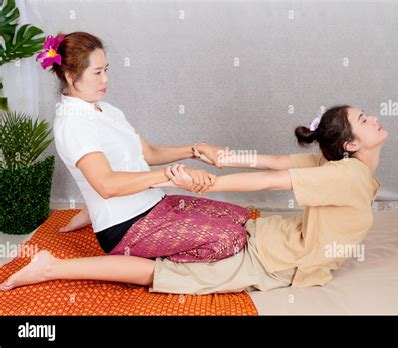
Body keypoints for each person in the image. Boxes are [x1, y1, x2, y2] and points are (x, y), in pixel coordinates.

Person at [0, 102, 388, 293]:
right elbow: (271, 170)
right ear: (350, 144)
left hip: (276, 242)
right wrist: (217, 159)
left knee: (232, 220)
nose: (374, 119)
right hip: (277, 259)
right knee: (171, 275)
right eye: (366, 118)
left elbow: (274, 172)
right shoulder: (346, 173)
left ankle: (104, 208)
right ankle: (50, 267)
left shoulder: (343, 170)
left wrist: (206, 181)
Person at [38, 32, 251, 263]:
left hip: (155, 204)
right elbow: (106, 185)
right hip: (126, 227)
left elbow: (148, 153)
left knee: (241, 217)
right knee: (232, 238)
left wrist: (196, 149)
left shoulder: (106, 110)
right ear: (70, 75)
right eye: (97, 73)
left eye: (106, 70)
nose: (105, 80)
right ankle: (143, 268)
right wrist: (172, 175)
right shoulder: (73, 124)